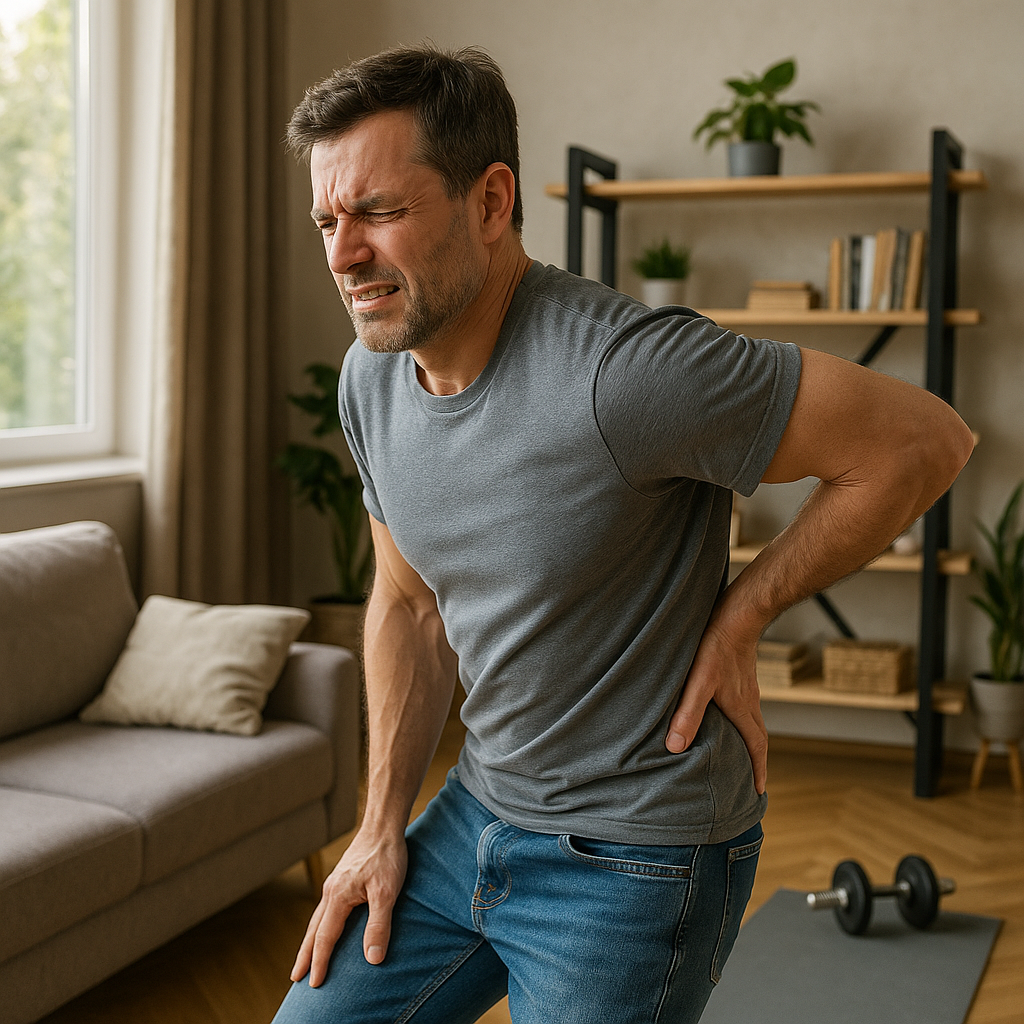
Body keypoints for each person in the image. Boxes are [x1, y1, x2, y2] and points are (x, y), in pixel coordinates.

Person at [273, 46, 973, 1024]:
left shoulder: (627, 372)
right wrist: (378, 827)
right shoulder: (371, 377)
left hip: (635, 853)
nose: (344, 255)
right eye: (327, 221)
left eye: (378, 212)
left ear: (490, 201)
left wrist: (745, 612)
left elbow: (921, 442)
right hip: (478, 810)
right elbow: (409, 603)